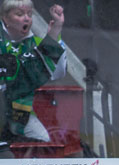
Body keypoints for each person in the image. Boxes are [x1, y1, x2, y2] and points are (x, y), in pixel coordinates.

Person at [0, 1, 66, 144]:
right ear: (5, 18)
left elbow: (58, 73)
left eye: (29, 14)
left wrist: (55, 34)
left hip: (19, 115)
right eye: (19, 14)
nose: (26, 18)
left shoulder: (36, 43)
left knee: (44, 142)